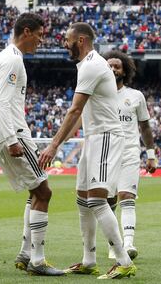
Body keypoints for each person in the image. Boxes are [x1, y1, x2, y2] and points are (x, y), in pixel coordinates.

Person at [38, 22, 136, 280]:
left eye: (67, 40)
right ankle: (89, 259)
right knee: (83, 199)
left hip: (106, 137)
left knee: (96, 199)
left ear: (80, 40)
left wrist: (54, 145)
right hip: (94, 138)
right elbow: (83, 114)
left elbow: (75, 110)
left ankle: (124, 261)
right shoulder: (87, 64)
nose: (64, 44)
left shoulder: (92, 65)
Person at [0, 13, 64, 276]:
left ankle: (25, 254)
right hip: (13, 135)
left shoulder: (2, 57)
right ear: (27, 31)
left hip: (3, 132)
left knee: (35, 192)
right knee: (44, 192)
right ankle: (38, 261)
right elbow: (4, 103)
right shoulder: (12, 60)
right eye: (40, 35)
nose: (41, 41)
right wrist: (11, 139)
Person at [102, 50, 157, 260]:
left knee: (127, 196)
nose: (113, 69)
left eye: (117, 66)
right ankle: (114, 243)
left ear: (124, 70)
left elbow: (145, 127)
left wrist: (151, 154)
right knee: (108, 200)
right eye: (109, 65)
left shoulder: (135, 96)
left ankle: (129, 243)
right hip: (106, 153)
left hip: (129, 152)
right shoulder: (97, 94)